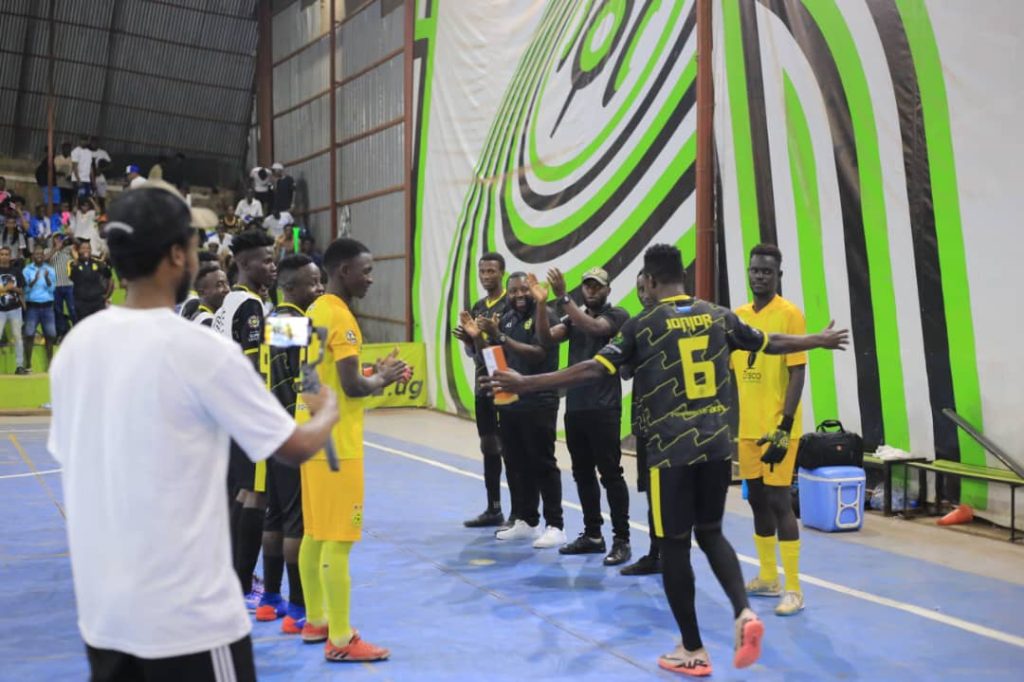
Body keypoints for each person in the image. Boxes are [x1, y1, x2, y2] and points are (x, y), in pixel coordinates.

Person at [487, 244, 849, 676]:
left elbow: (592, 369)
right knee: (711, 532)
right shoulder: (718, 315)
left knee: (674, 546)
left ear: (651, 281)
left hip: (671, 452)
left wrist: (526, 383)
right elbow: (772, 343)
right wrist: (818, 340)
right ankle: (743, 612)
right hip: (717, 449)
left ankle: (692, 648)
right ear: (684, 277)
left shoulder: (645, 323)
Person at [47, 181, 340, 682]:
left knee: (253, 500)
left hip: (105, 617)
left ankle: (265, 590)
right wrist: (329, 407)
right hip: (189, 622)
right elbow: (293, 443)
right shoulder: (211, 340)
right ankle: (278, 595)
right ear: (176, 255)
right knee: (271, 506)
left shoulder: (76, 346)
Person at [297, 237, 408, 663]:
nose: (370, 279)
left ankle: (316, 620)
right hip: (338, 445)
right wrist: (383, 378)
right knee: (339, 541)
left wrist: (374, 372)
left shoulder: (313, 311)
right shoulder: (342, 317)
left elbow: (322, 374)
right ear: (344, 271)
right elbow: (353, 386)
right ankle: (341, 639)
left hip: (311, 435)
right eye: (367, 270)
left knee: (315, 534)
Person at [531, 266, 631, 566]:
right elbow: (546, 339)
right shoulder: (572, 317)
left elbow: (595, 328)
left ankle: (622, 539)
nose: (591, 290)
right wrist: (541, 305)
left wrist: (563, 297)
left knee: (610, 474)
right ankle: (593, 534)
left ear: (608, 290)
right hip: (576, 407)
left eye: (597, 285)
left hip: (604, 408)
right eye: (587, 285)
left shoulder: (617, 316)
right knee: (582, 473)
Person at [732, 244, 808, 617]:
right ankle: (767, 576)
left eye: (767, 271)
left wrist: (785, 424)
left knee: (780, 502)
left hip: (778, 429)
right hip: (747, 428)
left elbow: (798, 371)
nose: (759, 275)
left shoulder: (790, 314)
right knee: (756, 500)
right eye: (755, 270)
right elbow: (731, 372)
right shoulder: (738, 317)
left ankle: (793, 588)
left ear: (779, 275)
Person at [256, 253, 324, 634]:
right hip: (290, 432)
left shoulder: (273, 320)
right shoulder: (296, 324)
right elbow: (302, 380)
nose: (319, 289)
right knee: (297, 521)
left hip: (270, 431)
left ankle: (270, 599)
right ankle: (298, 606)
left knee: (276, 516)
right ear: (291, 287)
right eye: (313, 283)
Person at [211, 228, 279, 607]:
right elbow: (254, 364)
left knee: (241, 492)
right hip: (246, 412)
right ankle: (242, 583)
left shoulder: (231, 303)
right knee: (256, 494)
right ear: (243, 263)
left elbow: (273, 338)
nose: (272, 267)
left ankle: (235, 574)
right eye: (266, 261)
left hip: (227, 411)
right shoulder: (250, 305)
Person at [475, 272, 565, 549]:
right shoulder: (507, 318)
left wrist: (500, 335)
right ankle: (527, 520)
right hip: (511, 402)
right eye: (513, 291)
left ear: (533, 290)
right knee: (516, 463)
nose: (519, 295)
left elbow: (539, 352)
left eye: (523, 289)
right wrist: (477, 338)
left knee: (542, 463)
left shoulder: (545, 314)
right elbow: (495, 356)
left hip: (539, 400)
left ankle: (555, 525)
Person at [453, 252, 508, 528]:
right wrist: (469, 341)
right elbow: (476, 355)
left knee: (510, 447)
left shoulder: (510, 303)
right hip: (483, 385)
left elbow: (507, 349)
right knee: (488, 446)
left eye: (491, 271)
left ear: (501, 273)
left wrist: (488, 336)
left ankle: (522, 513)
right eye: (482, 271)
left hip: (506, 385)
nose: (486, 276)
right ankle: (493, 508)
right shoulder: (477, 307)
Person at [620, 271, 662, 576]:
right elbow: (624, 372)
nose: (644, 294)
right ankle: (656, 553)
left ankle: (674, 554)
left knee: (673, 495)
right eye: (639, 289)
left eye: (648, 287)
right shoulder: (635, 326)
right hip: (646, 423)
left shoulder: (676, 323)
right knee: (652, 494)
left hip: (675, 427)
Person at [22, 244, 57, 372]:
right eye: (36, 254)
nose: (39, 256)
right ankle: (28, 365)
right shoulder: (27, 270)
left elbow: (52, 289)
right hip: (33, 307)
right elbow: (25, 290)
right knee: (29, 334)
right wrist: (34, 280)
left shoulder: (50, 270)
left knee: (51, 335)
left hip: (47, 307)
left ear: (44, 256)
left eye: (41, 254)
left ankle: (50, 365)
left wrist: (47, 278)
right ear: (32, 256)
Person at [68, 240, 114, 321]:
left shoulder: (97, 262)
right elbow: (72, 277)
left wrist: (107, 295)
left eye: (88, 248)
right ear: (78, 250)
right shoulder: (72, 263)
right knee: (84, 326)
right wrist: (76, 260)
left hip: (98, 302)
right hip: (81, 304)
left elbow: (109, 277)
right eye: (83, 248)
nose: (86, 250)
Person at [0, 245, 28, 374]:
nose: (4, 256)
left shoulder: (16, 271)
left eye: (6, 254)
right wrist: (6, 288)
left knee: (18, 337)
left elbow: (22, 291)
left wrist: (14, 288)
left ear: (10, 256)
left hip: (15, 309)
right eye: (2, 254)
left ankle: (19, 366)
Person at [50, 234, 77, 339]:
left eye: (60, 238)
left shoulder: (69, 250)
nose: (58, 240)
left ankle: (77, 331)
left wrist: (71, 237)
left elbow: (79, 249)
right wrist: (55, 249)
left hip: (69, 285)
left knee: (73, 310)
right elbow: (45, 260)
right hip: (55, 287)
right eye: (56, 238)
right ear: (52, 240)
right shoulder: (48, 250)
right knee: (58, 311)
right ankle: (62, 333)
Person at [191, 261, 229, 326]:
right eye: (219, 285)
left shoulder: (214, 317)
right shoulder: (206, 322)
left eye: (227, 283)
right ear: (201, 293)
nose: (227, 289)